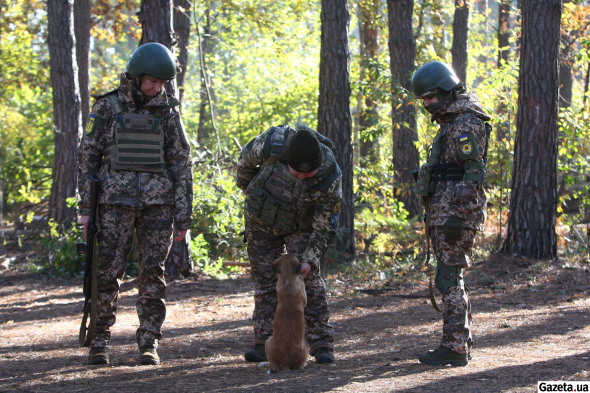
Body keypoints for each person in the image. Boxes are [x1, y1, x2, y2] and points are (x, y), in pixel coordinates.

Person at [78, 42, 193, 366]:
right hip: (114, 206)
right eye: (153, 81)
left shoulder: (168, 110)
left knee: (152, 276)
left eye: (162, 83)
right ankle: (100, 341)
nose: (158, 88)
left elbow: (181, 162)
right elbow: (86, 159)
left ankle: (148, 343)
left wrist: (183, 214)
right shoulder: (107, 107)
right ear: (138, 75)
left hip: (158, 207)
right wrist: (86, 211)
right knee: (106, 274)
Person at [236, 124, 342, 364]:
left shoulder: (329, 175)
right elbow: (244, 162)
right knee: (264, 280)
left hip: (301, 224)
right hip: (260, 219)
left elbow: (324, 225)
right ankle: (265, 341)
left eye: (309, 174)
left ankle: (321, 342)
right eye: (297, 173)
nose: (303, 177)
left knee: (310, 280)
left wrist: (311, 259)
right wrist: (245, 185)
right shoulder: (272, 144)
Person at [411, 61, 490, 367]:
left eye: (431, 97)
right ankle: (461, 341)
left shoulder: (465, 122)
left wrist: (457, 215)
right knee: (451, 276)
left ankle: (454, 347)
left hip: (455, 213)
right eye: (424, 100)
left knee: (449, 277)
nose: (428, 104)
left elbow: (472, 173)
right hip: (446, 211)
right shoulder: (451, 121)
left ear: (447, 90)